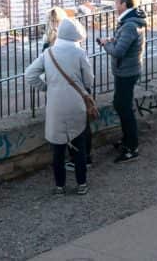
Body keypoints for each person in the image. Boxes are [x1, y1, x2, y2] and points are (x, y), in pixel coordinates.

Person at [24, 18, 94, 195]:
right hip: (77, 104)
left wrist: (47, 88)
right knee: (79, 146)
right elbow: (89, 80)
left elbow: (30, 74)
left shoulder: (49, 53)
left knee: (57, 150)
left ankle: (60, 186)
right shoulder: (79, 53)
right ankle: (81, 185)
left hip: (55, 106)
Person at [98, 0, 146, 164]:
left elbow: (118, 51)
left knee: (123, 108)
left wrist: (106, 44)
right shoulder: (130, 22)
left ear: (124, 4)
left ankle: (131, 147)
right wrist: (113, 40)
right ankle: (127, 141)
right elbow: (124, 42)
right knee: (121, 105)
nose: (114, 5)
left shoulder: (129, 25)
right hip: (128, 70)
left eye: (116, 2)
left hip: (126, 72)